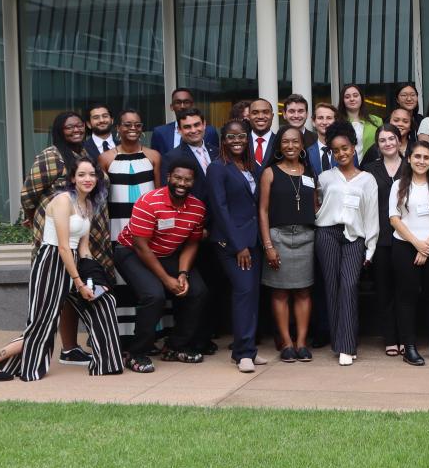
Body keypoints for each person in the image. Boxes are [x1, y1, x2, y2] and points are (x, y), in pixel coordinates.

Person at [0, 157, 122, 382]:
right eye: (81, 175)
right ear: (72, 178)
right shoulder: (62, 200)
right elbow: (62, 246)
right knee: (42, 324)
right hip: (51, 262)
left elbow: (84, 248)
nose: (87, 179)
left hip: (74, 263)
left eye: (91, 175)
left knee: (104, 302)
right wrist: (78, 282)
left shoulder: (87, 204)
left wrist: (95, 280)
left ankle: (106, 363)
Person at [21, 111, 114, 367]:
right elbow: (29, 194)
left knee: (76, 294)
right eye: (68, 127)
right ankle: (64, 348)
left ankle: (72, 349)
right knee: (55, 300)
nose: (75, 130)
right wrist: (35, 217)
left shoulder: (85, 154)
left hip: (86, 237)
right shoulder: (51, 156)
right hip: (59, 237)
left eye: (78, 126)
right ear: (59, 130)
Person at [112, 160, 209, 373]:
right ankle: (135, 352)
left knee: (198, 291)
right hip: (131, 252)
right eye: (178, 178)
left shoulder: (197, 208)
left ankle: (175, 347)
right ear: (168, 178)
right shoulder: (149, 202)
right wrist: (167, 280)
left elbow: (192, 242)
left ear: (193, 182)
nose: (182, 183)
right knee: (153, 295)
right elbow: (141, 246)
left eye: (187, 179)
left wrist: (183, 273)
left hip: (167, 253)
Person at [314, 121, 379, 366]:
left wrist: (370, 247)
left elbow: (372, 215)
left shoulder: (367, 179)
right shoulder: (324, 177)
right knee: (331, 288)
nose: (341, 153)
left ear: (354, 147)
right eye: (336, 150)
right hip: (327, 234)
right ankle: (342, 344)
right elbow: (317, 205)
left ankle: (347, 344)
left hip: (355, 238)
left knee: (349, 286)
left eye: (345, 148)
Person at [388, 141, 429, 366]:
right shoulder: (398, 186)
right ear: (409, 158)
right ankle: (410, 347)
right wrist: (417, 244)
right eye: (417, 156)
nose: (421, 161)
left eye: (426, 157)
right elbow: (394, 219)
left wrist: (428, 246)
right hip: (405, 246)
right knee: (407, 298)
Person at [98, 109, 160, 339]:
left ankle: (151, 334)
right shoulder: (106, 159)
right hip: (118, 226)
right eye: (127, 124)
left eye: (137, 124)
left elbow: (160, 194)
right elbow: (101, 201)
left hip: (149, 229)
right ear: (118, 128)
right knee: (123, 280)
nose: (132, 128)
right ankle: (125, 335)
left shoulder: (153, 156)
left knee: (150, 278)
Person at [207, 120, 263, 373]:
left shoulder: (252, 166)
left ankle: (248, 349)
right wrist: (239, 245)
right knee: (243, 293)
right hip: (232, 243)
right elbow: (220, 209)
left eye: (241, 136)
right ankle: (242, 353)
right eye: (231, 137)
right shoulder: (218, 168)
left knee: (251, 295)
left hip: (254, 240)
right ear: (223, 140)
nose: (237, 140)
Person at [258, 125, 317, 363]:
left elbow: (315, 206)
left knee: (304, 291)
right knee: (280, 292)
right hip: (279, 237)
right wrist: (268, 245)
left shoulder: (309, 172)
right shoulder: (270, 173)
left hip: (306, 238)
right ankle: (286, 343)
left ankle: (302, 342)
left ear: (302, 146)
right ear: (279, 146)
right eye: (285, 142)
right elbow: (262, 211)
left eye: (295, 141)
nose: (290, 146)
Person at [363, 125, 404, 356]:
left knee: (405, 290)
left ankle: (405, 335)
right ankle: (390, 337)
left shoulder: (412, 165)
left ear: (399, 141)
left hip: (407, 237)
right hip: (379, 238)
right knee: (384, 289)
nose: (387, 143)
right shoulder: (369, 170)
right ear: (377, 145)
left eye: (391, 139)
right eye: (382, 140)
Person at [162, 108, 216, 205]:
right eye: (187, 127)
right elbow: (169, 193)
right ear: (179, 130)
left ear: (204, 124)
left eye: (197, 125)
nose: (193, 130)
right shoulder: (171, 158)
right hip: (192, 215)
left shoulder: (217, 152)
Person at [150, 87, 220, 154]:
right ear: (171, 107)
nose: (182, 106)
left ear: (193, 105)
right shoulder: (160, 133)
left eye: (186, 102)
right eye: (178, 102)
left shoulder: (210, 132)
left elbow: (215, 158)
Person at [337, 83, 384, 158]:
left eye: (355, 95)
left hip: (371, 166)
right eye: (347, 97)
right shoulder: (337, 122)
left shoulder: (377, 121)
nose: (352, 99)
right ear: (343, 100)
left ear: (361, 98)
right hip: (344, 166)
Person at [306, 103, 343, 173]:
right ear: (313, 122)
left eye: (329, 118)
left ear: (336, 122)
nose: (324, 122)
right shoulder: (306, 154)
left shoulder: (348, 151)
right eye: (320, 118)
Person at [247, 98, 277, 174]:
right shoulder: (241, 142)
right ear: (248, 116)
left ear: (272, 116)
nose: (260, 116)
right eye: (255, 113)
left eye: (266, 112)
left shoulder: (280, 142)